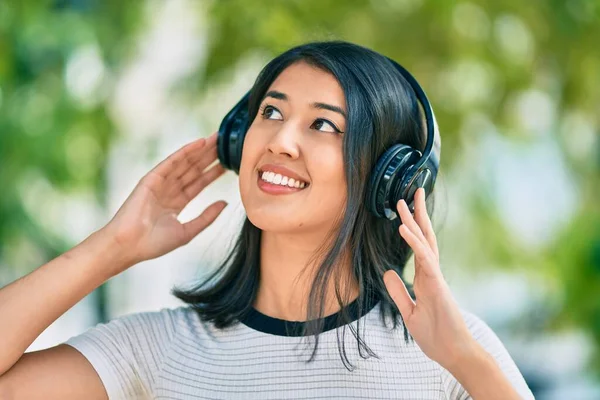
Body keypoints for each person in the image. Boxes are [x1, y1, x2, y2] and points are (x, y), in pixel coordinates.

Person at [0, 41, 535, 399]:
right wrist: (112, 247)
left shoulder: (452, 354)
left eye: (324, 124)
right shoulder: (159, 350)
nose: (280, 140)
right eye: (271, 113)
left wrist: (464, 360)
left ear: (388, 177)